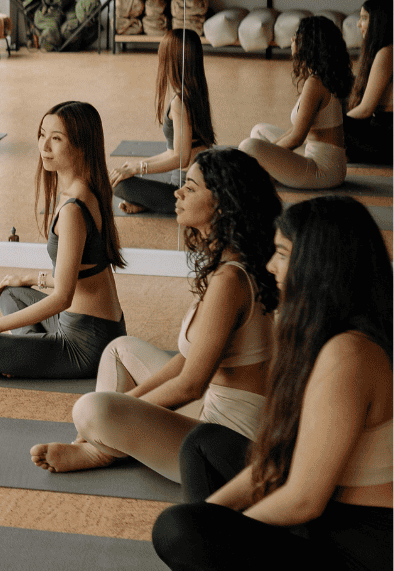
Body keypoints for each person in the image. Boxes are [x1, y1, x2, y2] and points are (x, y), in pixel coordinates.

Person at [152, 196, 392, 570]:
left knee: (177, 529)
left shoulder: (350, 355)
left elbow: (304, 499)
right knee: (203, 444)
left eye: (281, 253)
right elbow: (278, 462)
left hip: (359, 548)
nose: (269, 265)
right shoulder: (332, 337)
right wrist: (210, 520)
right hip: (328, 515)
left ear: (318, 264)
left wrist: (219, 534)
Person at [30, 148, 279, 481]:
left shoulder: (230, 280)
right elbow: (185, 361)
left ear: (222, 204)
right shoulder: (230, 267)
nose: (177, 192)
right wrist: (127, 402)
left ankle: (100, 450)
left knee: (90, 409)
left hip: (228, 445)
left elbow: (191, 385)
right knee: (120, 350)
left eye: (190, 187)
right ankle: (110, 438)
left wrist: (114, 413)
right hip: (212, 409)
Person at [0, 101, 126, 378]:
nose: (44, 146)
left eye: (56, 139)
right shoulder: (88, 188)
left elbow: (63, 298)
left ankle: (24, 355)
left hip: (86, 344)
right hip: (100, 326)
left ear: (82, 145)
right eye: (42, 134)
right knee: (12, 293)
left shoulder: (73, 209)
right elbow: (76, 277)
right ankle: (27, 352)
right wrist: (29, 279)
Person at [110, 29, 215, 215]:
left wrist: (138, 168)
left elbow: (181, 158)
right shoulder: (196, 92)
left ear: (171, 60)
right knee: (128, 173)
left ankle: (163, 204)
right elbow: (173, 152)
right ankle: (148, 203)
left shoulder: (180, 103)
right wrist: (138, 164)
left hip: (186, 190)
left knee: (120, 185)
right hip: (199, 182)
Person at [240, 15, 352, 189]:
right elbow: (296, 130)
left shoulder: (315, 83)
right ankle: (264, 174)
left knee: (249, 146)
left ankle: (256, 175)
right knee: (260, 131)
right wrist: (268, 152)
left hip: (323, 172)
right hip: (329, 166)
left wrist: (263, 155)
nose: (292, 39)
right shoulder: (323, 77)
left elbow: (296, 139)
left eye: (298, 36)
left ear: (311, 44)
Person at [345, 0, 392, 165]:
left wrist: (336, 127)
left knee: (330, 124)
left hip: (387, 138)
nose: (359, 24)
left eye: (364, 18)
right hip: (383, 131)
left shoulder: (387, 53)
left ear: (379, 22)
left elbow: (365, 109)